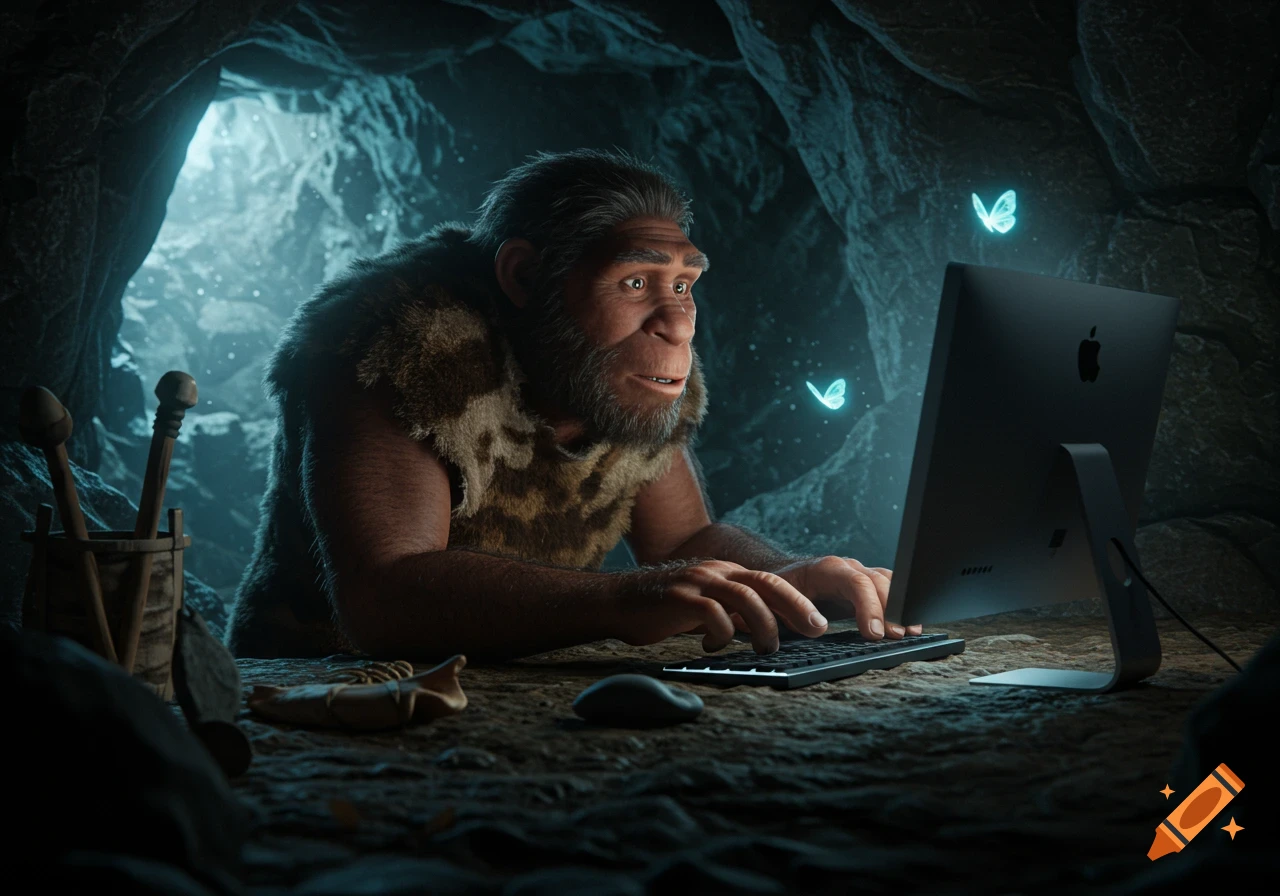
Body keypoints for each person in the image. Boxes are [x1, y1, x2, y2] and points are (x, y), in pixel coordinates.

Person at [226, 149, 919, 659]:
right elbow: (384, 598)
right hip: (318, 684)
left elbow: (682, 543)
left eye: (683, 285)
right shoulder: (403, 347)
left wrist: (787, 575)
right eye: (636, 282)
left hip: (512, 684)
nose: (677, 325)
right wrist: (621, 599)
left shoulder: (617, 365)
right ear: (526, 275)